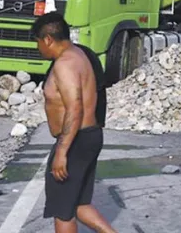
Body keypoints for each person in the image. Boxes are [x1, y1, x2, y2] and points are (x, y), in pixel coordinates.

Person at [32, 13, 116, 233]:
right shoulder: (80, 54)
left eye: (38, 42)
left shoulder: (65, 64)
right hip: (88, 136)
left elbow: (75, 107)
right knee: (78, 204)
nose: (38, 48)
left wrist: (62, 152)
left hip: (75, 140)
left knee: (62, 211)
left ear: (48, 39)